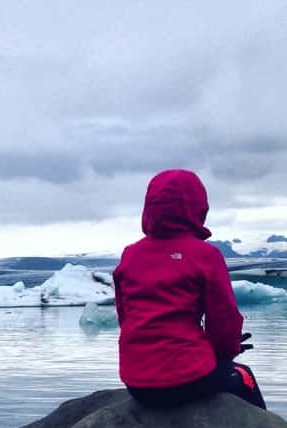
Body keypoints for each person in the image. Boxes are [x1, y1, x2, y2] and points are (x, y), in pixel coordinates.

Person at [113, 169, 266, 409]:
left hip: (137, 383)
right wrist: (228, 351)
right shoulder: (205, 255)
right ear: (198, 208)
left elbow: (125, 315)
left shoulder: (130, 255)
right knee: (243, 376)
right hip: (188, 378)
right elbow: (224, 320)